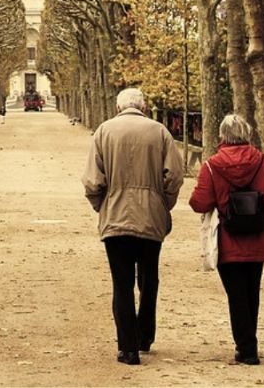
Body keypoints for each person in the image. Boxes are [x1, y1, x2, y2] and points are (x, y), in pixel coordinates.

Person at [82, 88, 185, 366]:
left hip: (115, 217)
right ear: (144, 106)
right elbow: (174, 176)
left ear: (118, 107)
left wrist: (102, 206)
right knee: (149, 278)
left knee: (122, 284)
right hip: (151, 217)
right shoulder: (160, 132)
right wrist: (163, 205)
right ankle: (145, 335)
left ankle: (128, 349)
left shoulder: (103, 132)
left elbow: (93, 181)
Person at [189, 114, 264, 366]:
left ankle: (246, 348)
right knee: (251, 292)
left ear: (222, 136)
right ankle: (248, 344)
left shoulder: (212, 165)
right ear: (248, 134)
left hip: (228, 239)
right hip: (258, 236)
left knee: (236, 294)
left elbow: (199, 203)